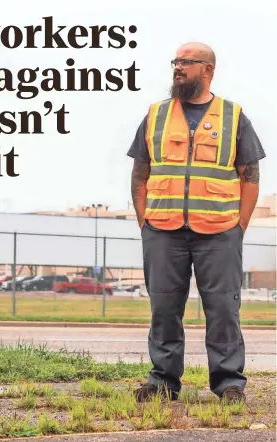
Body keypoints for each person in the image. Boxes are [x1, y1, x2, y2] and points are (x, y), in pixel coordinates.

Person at [127, 42, 266, 404]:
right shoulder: (156, 115)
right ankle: (162, 382)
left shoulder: (234, 117)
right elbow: (140, 172)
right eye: (176, 61)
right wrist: (145, 221)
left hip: (219, 233)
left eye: (187, 62)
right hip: (162, 230)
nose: (178, 67)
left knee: (223, 309)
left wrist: (239, 226)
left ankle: (229, 383)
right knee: (164, 309)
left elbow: (250, 175)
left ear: (207, 70)